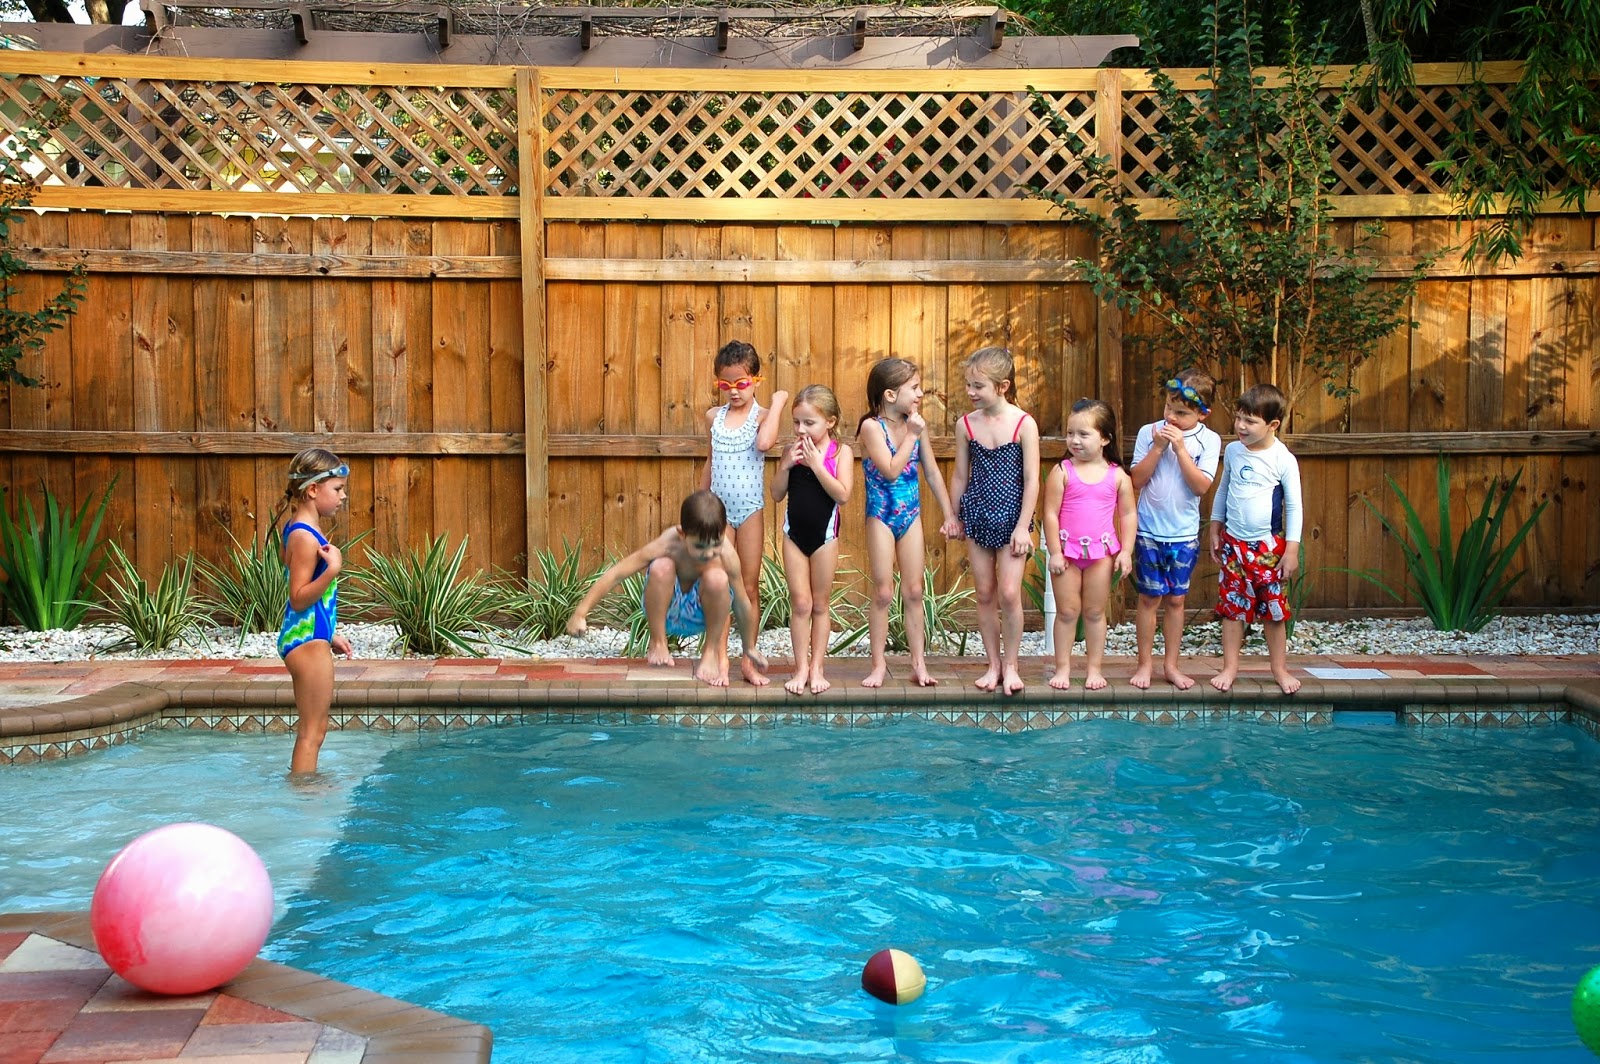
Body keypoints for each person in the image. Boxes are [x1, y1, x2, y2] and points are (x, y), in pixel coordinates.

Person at [566, 490, 769, 688]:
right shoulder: (668, 543)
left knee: (718, 577)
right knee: (662, 566)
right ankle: (658, 642)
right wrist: (580, 613)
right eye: (700, 546)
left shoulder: (727, 554)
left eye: (715, 544)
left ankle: (710, 653)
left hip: (702, 616)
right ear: (682, 534)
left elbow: (741, 602)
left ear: (723, 533)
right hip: (666, 611)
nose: (708, 553)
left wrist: (749, 647)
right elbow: (617, 573)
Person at [944, 346, 1039, 696]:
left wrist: (1022, 526)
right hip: (979, 514)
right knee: (985, 592)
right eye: (968, 384)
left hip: (1013, 518)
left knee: (1009, 593)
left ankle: (1012, 665)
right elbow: (960, 475)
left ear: (1002, 386)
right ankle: (993, 664)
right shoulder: (966, 424)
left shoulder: (1024, 424)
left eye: (978, 386)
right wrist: (953, 516)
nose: (970, 392)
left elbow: (1032, 479)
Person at [856, 358, 956, 688]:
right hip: (881, 517)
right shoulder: (872, 428)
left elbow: (932, 472)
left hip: (911, 515)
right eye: (913, 388)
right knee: (884, 592)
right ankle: (878, 665)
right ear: (889, 394)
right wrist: (912, 434)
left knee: (914, 591)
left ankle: (918, 664)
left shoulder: (915, 426)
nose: (920, 394)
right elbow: (890, 470)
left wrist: (949, 514)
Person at [1127, 371, 1222, 690]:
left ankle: (1171, 665)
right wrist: (1157, 448)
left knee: (1176, 601)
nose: (1171, 417)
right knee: (1148, 599)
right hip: (1149, 532)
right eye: (1169, 407)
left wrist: (1181, 450)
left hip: (1183, 535)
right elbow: (1137, 480)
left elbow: (1200, 487)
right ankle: (1144, 664)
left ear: (1202, 414)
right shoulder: (1149, 432)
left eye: (1181, 413)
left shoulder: (1209, 440)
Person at [1208, 383, 1303, 695]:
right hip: (1233, 545)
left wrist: (1291, 549)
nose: (1241, 426)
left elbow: (1295, 506)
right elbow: (1223, 489)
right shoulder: (1234, 451)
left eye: (1249, 421)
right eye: (1238, 418)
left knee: (1274, 612)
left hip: (1268, 548)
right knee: (1232, 609)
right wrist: (1215, 526)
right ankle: (1230, 667)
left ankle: (1279, 669)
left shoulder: (1282, 459)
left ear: (1273, 425)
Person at [1042, 398, 1137, 690]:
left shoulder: (1117, 476)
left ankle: (1094, 669)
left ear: (1105, 438)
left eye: (1083, 434)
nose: (1074, 440)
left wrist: (1126, 551)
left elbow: (1128, 514)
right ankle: (1062, 668)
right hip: (1067, 553)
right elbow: (1050, 513)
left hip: (1101, 554)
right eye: (1070, 433)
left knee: (1095, 613)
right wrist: (1055, 552)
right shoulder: (1062, 471)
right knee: (1067, 612)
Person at [772, 384, 854, 695]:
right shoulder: (790, 452)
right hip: (793, 536)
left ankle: (817, 667)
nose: (801, 429)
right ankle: (800, 667)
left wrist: (818, 465)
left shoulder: (840, 453)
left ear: (830, 422)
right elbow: (776, 494)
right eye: (796, 422)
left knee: (819, 604)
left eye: (809, 423)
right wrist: (785, 466)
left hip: (825, 538)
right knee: (800, 603)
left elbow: (843, 495)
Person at [276, 448, 353, 775]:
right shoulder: (305, 537)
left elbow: (309, 602)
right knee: (312, 732)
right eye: (337, 489)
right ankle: (303, 794)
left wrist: (328, 632)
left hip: (309, 635)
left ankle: (305, 789)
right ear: (312, 490)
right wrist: (332, 570)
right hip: (306, 642)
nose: (343, 497)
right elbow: (298, 598)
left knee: (314, 730)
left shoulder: (298, 528)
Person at [700, 340, 789, 621]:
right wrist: (700, 504)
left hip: (749, 511)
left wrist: (778, 404)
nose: (734, 391)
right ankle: (720, 647)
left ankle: (750, 648)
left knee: (749, 586)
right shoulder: (713, 417)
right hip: (719, 511)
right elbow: (710, 460)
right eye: (725, 385)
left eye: (741, 383)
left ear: (756, 380)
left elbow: (764, 443)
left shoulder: (762, 417)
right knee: (720, 585)